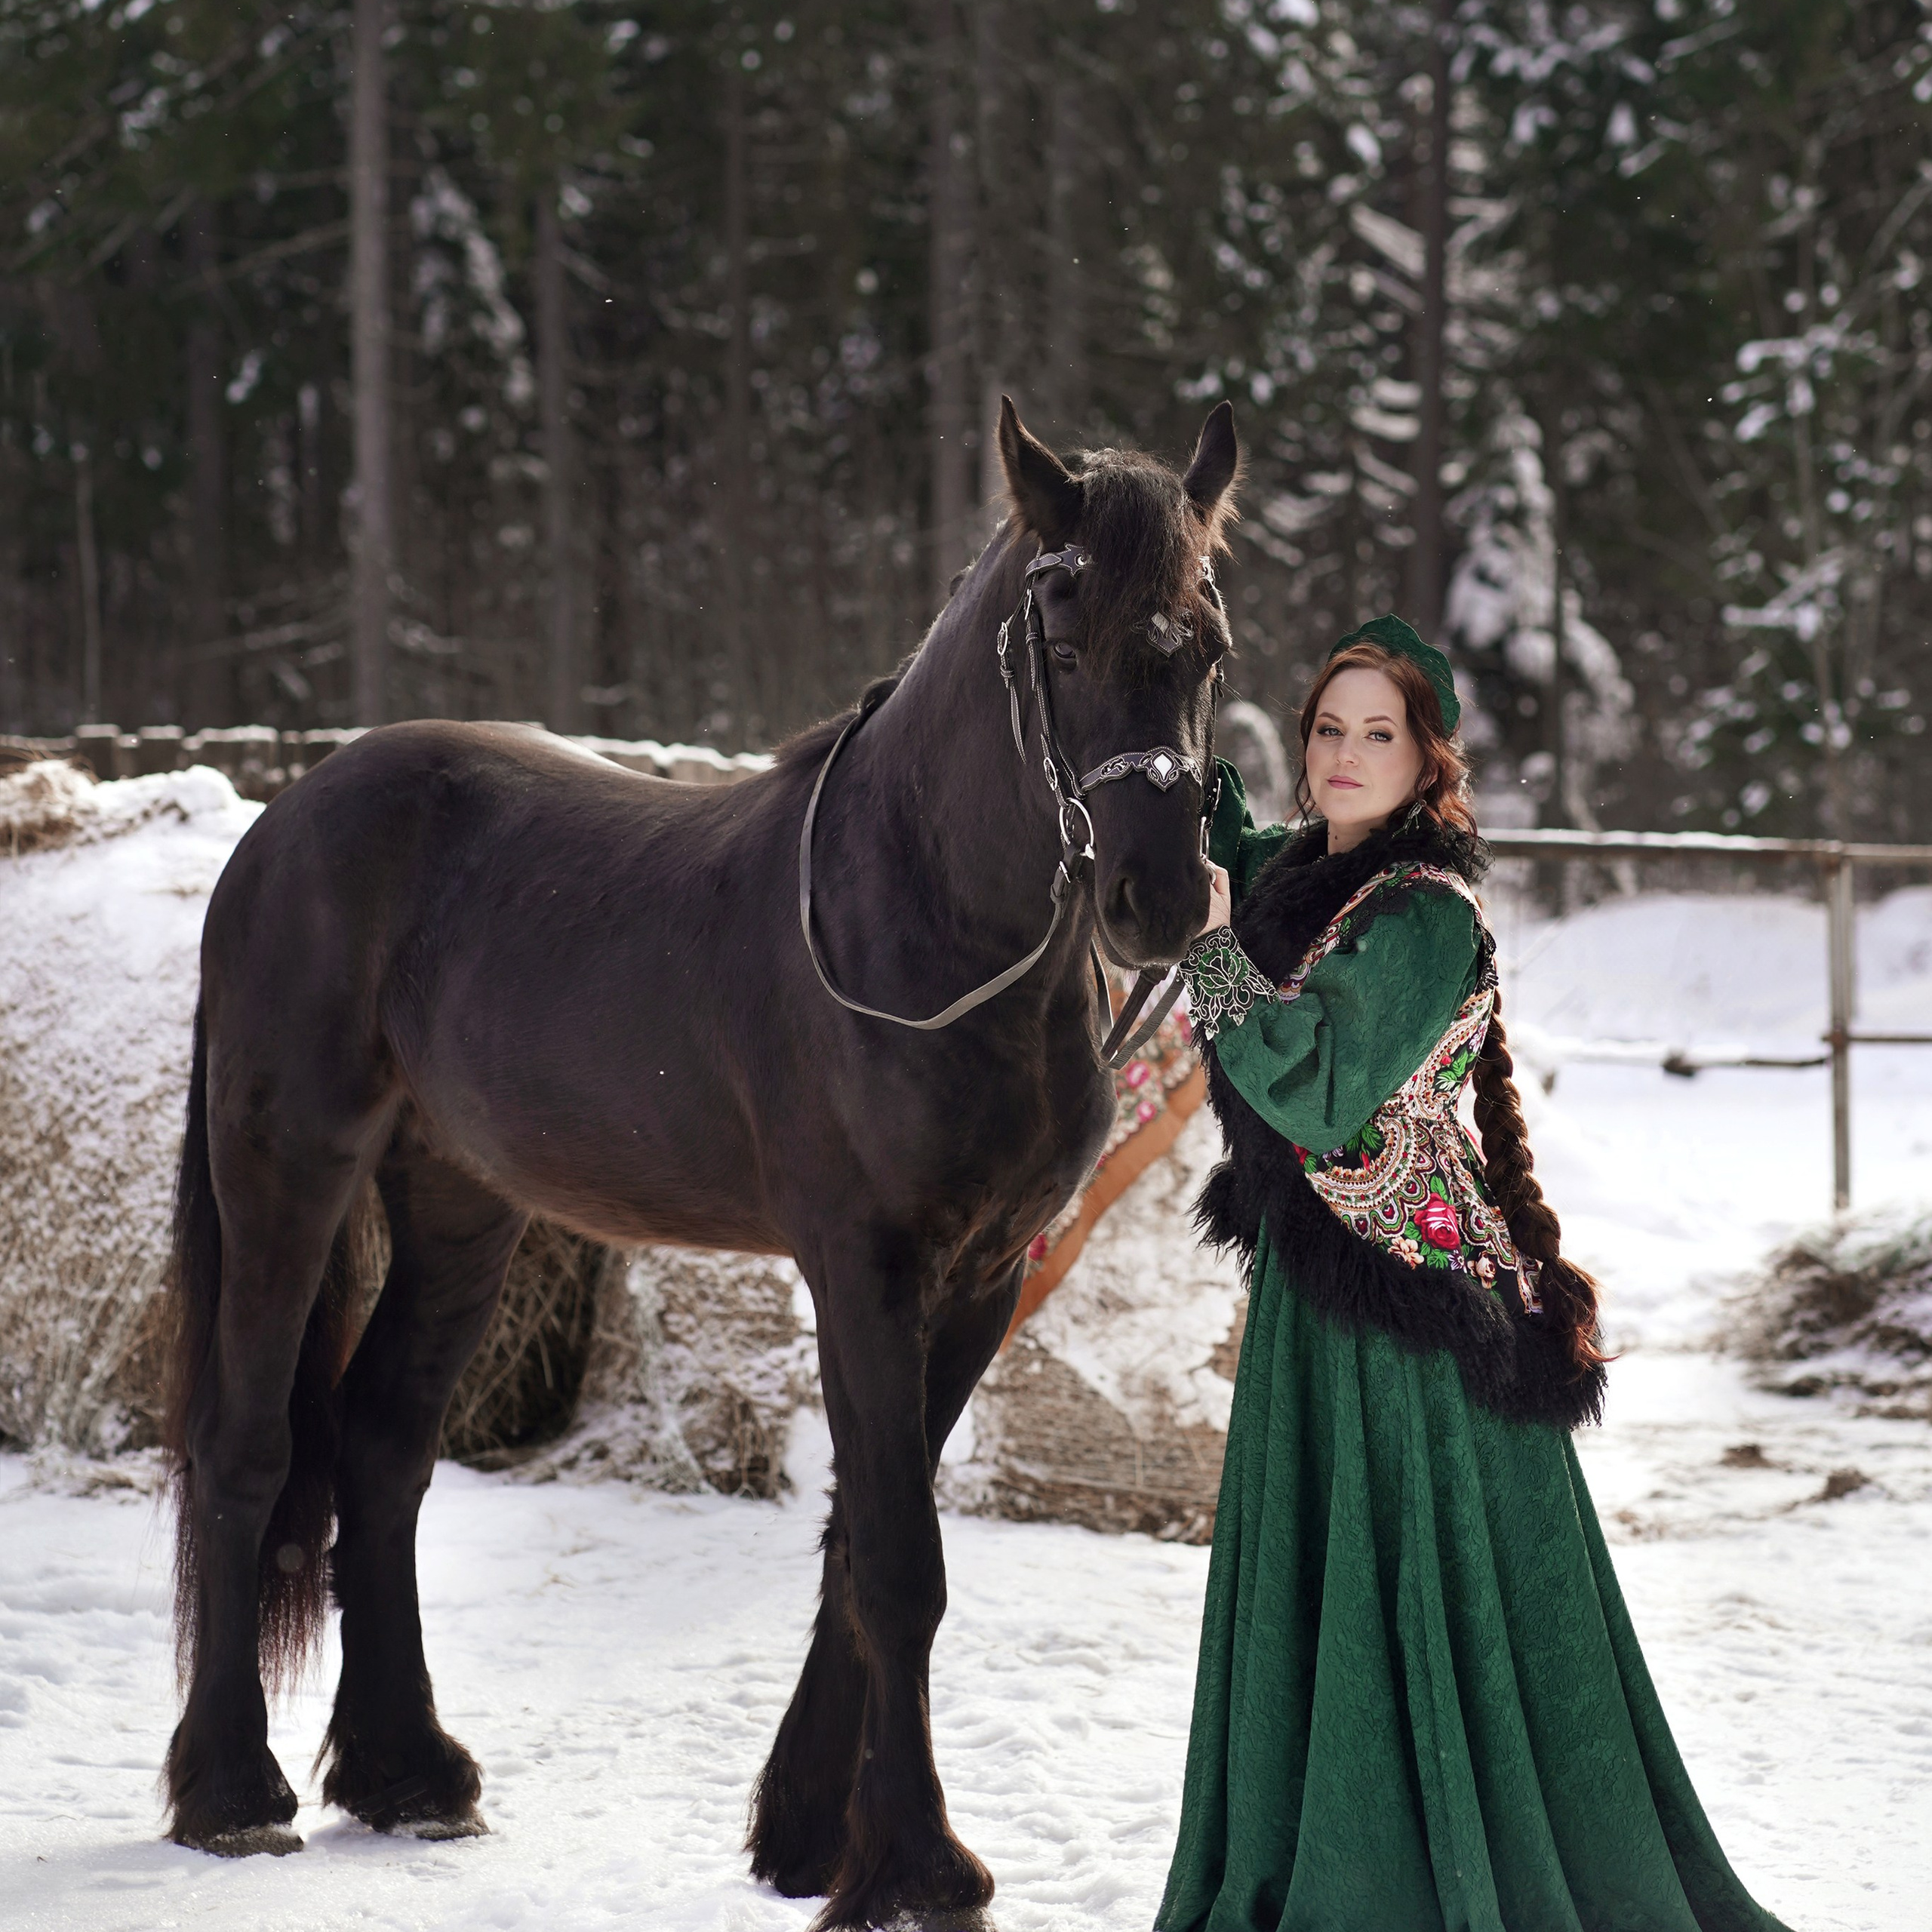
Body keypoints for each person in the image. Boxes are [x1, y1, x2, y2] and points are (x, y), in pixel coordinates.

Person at [1155, 617, 1790, 1932]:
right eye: (1329, 728)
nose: (1344, 754)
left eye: (1378, 734)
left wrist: (1215, 958)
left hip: (1412, 1330)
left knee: (1441, 1609)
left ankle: (1425, 1871)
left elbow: (1318, 1089)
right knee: (1326, 1595)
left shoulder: (1422, 917)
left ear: (1428, 761)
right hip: (1320, 1305)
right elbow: (1225, 845)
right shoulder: (1305, 876)